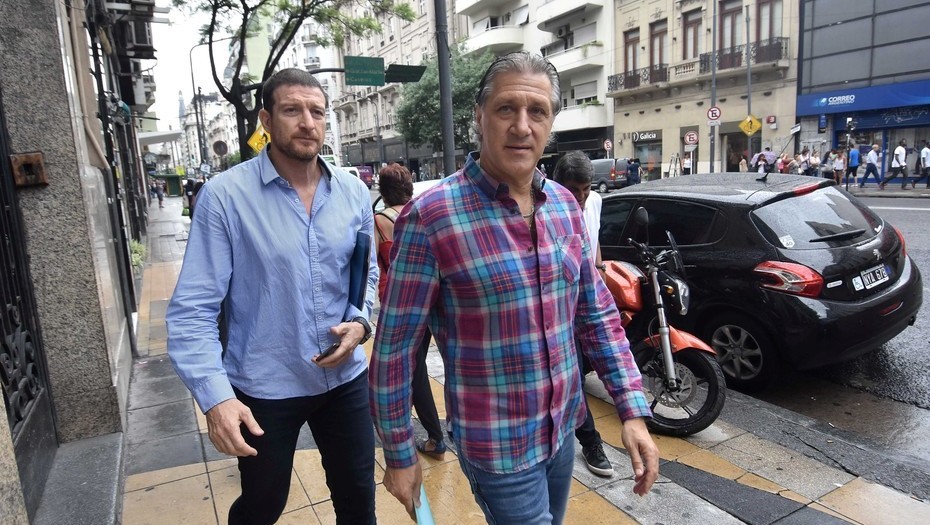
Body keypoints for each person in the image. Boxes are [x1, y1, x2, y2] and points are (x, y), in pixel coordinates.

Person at [370, 52, 659, 523]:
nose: (522, 126)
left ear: (551, 124)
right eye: (507, 108)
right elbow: (395, 349)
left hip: (563, 429)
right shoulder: (431, 217)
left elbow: (596, 315)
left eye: (537, 111)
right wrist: (399, 453)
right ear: (479, 116)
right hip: (497, 446)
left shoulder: (564, 205)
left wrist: (631, 408)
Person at [165, 68, 379, 525]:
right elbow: (193, 311)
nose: (307, 122)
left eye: (317, 112)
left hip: (344, 380)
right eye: (292, 110)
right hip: (265, 384)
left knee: (359, 501)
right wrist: (216, 398)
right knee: (263, 505)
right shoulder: (224, 197)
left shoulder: (354, 192)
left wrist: (361, 322)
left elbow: (367, 274)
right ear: (266, 119)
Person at [374, 162, 447, 460]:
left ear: (383, 190)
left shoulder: (380, 221)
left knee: (410, 367)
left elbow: (374, 267)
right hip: (433, 297)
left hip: (401, 303)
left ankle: (435, 437)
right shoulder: (422, 213)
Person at [551, 151, 614, 477]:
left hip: (588, 297)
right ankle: (590, 441)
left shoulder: (596, 202)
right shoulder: (549, 206)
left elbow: (594, 239)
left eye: (585, 190)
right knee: (573, 372)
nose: (580, 198)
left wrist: (599, 272)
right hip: (561, 306)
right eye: (573, 190)